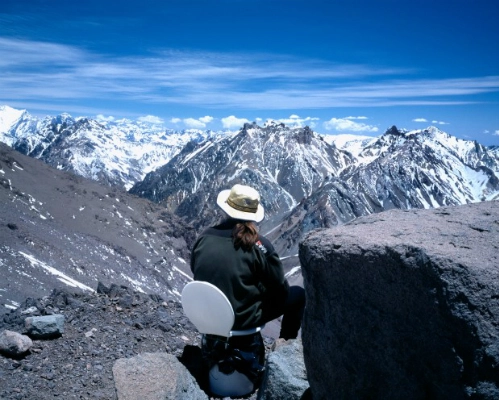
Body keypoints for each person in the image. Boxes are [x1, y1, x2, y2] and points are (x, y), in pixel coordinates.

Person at [190, 183, 305, 340]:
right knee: (298, 295)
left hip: (207, 316)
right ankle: (284, 347)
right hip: (243, 321)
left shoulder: (204, 237)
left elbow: (196, 269)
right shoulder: (260, 245)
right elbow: (280, 290)